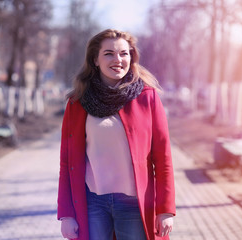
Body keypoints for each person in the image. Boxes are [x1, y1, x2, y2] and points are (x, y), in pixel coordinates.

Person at [57, 29, 176, 240]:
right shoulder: (77, 102)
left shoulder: (147, 98)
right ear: (95, 59)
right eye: (109, 53)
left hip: (134, 204)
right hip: (92, 204)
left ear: (131, 57)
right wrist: (66, 215)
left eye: (124, 53)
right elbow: (67, 163)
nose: (118, 59)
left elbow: (163, 157)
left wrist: (165, 209)